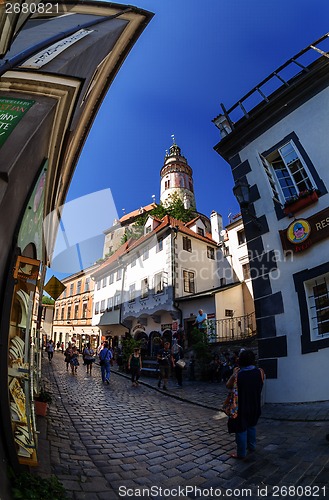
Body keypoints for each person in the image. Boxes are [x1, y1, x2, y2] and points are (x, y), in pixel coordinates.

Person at [226, 349, 264, 459]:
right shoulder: (260, 372)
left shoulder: (238, 375)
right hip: (255, 405)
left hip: (241, 407)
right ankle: (252, 446)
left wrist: (233, 374)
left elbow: (228, 385)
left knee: (241, 429)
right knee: (251, 426)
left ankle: (241, 453)